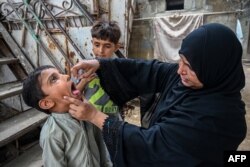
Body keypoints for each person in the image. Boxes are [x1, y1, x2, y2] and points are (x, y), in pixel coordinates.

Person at [64, 23, 247, 166]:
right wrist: (101, 64)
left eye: (189, 66)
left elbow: (154, 146)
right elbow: (150, 69)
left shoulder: (220, 118)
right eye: (180, 60)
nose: (179, 70)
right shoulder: (189, 80)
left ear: (214, 69)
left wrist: (94, 115)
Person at [21, 65, 112, 167]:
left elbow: (102, 149)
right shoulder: (51, 134)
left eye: (61, 73)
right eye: (54, 79)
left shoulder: (88, 114)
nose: (67, 76)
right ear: (47, 103)